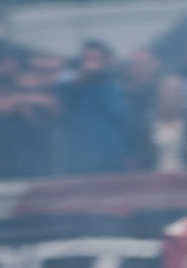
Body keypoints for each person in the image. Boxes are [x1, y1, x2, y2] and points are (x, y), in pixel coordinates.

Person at [57, 41, 135, 174]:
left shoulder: (114, 88)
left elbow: (124, 123)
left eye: (97, 59)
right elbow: (59, 94)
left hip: (113, 158)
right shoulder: (70, 83)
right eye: (88, 59)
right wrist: (82, 75)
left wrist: (129, 153)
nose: (92, 64)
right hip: (80, 160)